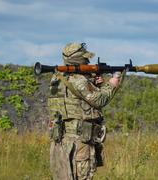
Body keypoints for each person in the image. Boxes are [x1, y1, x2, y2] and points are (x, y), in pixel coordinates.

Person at [48, 42, 123, 180]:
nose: (88, 61)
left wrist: (93, 83)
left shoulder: (57, 78)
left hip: (61, 140)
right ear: (79, 60)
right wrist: (113, 83)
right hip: (80, 142)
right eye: (85, 58)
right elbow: (100, 100)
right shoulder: (80, 81)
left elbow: (76, 100)